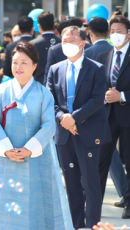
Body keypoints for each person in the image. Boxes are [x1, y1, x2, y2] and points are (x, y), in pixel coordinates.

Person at [0, 41, 73, 229]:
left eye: (24, 62)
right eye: (15, 62)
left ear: (35, 66)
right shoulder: (0, 90)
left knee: (35, 204)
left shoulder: (44, 94)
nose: (18, 67)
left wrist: (29, 149)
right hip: (3, 158)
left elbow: (48, 126)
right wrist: (7, 149)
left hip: (36, 160)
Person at [47, 26, 110, 228]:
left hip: (89, 133)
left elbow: (98, 99)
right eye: (65, 41)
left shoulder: (96, 68)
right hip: (64, 135)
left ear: (83, 43)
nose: (68, 44)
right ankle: (76, 224)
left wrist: (74, 118)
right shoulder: (55, 69)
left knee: (91, 183)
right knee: (72, 184)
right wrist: (62, 118)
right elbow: (50, 100)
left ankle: (93, 224)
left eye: (73, 40)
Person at [97, 16, 130, 219]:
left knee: (129, 162)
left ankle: (129, 203)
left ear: (128, 33)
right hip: (107, 118)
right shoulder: (104, 56)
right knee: (101, 161)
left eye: (120, 30)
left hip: (128, 119)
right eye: (113, 31)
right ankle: (94, 202)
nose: (115, 34)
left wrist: (123, 96)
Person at [31, 11, 61, 84]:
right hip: (59, 83)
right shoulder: (62, 42)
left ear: (39, 26)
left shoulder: (32, 44)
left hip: (38, 84)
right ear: (53, 25)